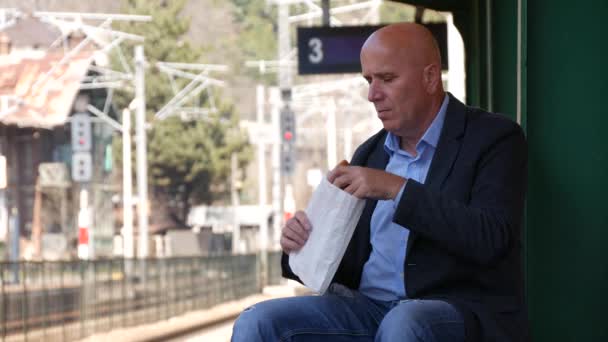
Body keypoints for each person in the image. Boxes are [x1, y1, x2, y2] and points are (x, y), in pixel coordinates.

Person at [232, 22, 529, 342]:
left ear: (430, 77)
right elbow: (343, 266)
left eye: (387, 79)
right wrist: (302, 244)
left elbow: (491, 238)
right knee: (258, 322)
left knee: (405, 322)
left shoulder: (494, 138)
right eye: (368, 80)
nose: (372, 95)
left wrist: (396, 188)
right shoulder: (370, 153)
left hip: (455, 310)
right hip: (368, 308)